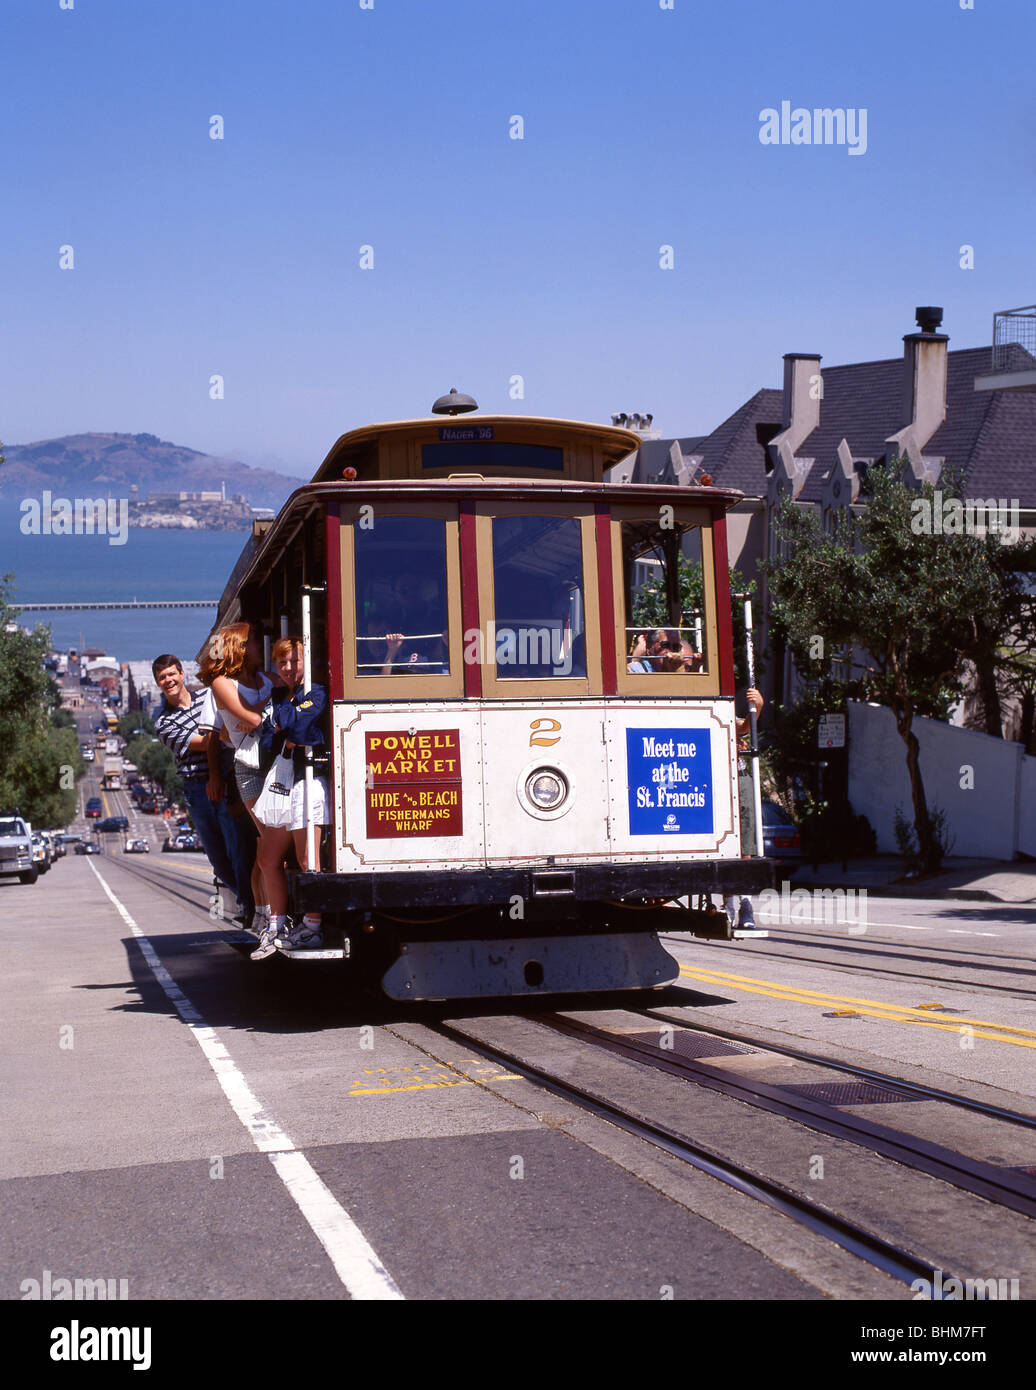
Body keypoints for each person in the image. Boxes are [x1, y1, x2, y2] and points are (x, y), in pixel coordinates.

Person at [152, 654, 252, 919]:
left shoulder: (207, 695)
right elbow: (208, 742)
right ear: (158, 684)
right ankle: (245, 899)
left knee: (238, 846)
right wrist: (220, 729)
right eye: (162, 678)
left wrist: (218, 732)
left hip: (227, 780)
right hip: (197, 790)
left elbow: (219, 735)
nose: (168, 680)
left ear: (182, 674)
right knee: (218, 859)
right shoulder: (164, 723)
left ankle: (251, 904)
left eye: (172, 674)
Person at [250, 636, 330, 960]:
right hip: (285, 781)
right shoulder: (282, 696)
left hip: (308, 781)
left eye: (293, 661)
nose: (287, 668)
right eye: (281, 663)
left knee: (308, 860)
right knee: (267, 860)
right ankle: (276, 927)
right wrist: (287, 724)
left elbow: (300, 725)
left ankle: (312, 927)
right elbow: (270, 737)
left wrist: (287, 723)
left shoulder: (318, 691)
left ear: (305, 660)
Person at [197, 623, 275, 932]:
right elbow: (249, 721)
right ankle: (267, 915)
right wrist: (274, 706)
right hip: (251, 769)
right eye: (255, 642)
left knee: (265, 847)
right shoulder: (221, 683)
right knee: (269, 846)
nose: (261, 647)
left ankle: (262, 914)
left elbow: (239, 725)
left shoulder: (264, 679)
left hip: (275, 765)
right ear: (240, 647)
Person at [725, 686, 765, 931]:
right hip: (717, 778)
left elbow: (744, 727)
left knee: (745, 845)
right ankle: (727, 905)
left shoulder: (726, 713)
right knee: (725, 848)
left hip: (739, 777)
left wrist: (758, 707)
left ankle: (746, 904)